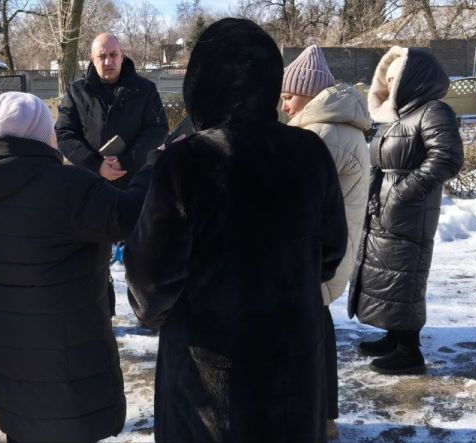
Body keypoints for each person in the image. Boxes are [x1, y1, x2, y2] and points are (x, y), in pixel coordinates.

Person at [125, 19, 348, 442]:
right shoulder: (310, 153)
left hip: (210, 387)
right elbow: (330, 255)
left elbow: (149, 288)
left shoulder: (186, 162)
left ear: (201, 85)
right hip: (292, 377)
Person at [0, 91, 156, 442]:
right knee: (71, 425)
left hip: (5, 332)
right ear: (39, 134)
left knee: (26, 424)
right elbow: (129, 217)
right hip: (66, 336)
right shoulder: (68, 185)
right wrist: (150, 167)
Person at [348, 46, 464, 375]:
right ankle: (394, 337)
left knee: (406, 276)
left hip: (409, 212)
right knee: (390, 276)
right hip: (384, 210)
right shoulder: (398, 117)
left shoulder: (432, 111)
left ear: (415, 77)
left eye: (396, 77)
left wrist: (402, 194)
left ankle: (410, 352)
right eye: (388, 77)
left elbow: (447, 157)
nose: (389, 83)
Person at [281, 44, 372, 440]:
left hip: (319, 256)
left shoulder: (325, 134)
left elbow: (289, 193)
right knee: (317, 330)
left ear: (310, 92)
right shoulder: (328, 127)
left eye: (288, 96)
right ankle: (324, 416)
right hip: (326, 251)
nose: (283, 105)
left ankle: (320, 419)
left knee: (312, 338)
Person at [56, 33, 168, 189]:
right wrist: (95, 165)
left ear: (122, 55)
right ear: (92, 59)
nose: (108, 61)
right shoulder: (75, 92)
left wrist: (126, 161)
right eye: (101, 56)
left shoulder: (145, 90)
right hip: (90, 184)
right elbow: (64, 134)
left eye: (113, 54)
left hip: (136, 183)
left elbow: (157, 129)